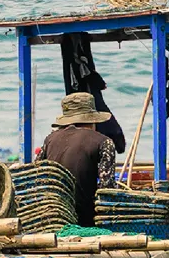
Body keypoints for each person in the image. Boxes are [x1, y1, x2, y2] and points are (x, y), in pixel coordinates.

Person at [37, 92, 118, 227]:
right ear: (93, 119)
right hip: (85, 221)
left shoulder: (50, 139)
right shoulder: (104, 142)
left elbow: (37, 175)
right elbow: (106, 190)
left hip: (51, 218)